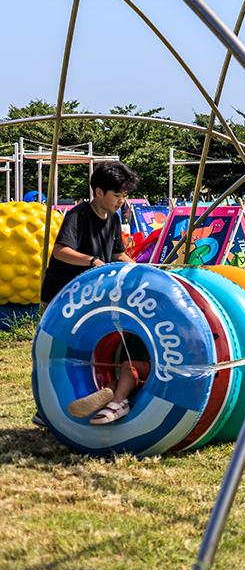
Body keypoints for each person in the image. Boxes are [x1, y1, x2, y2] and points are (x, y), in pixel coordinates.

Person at [41, 161, 145, 426]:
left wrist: (142, 271)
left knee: (89, 351)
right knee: (59, 354)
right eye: (117, 194)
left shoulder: (114, 218)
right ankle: (46, 409)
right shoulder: (78, 215)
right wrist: (91, 261)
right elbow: (61, 251)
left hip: (89, 296)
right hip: (61, 296)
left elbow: (117, 253)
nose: (122, 200)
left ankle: (96, 395)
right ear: (98, 192)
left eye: (125, 195)